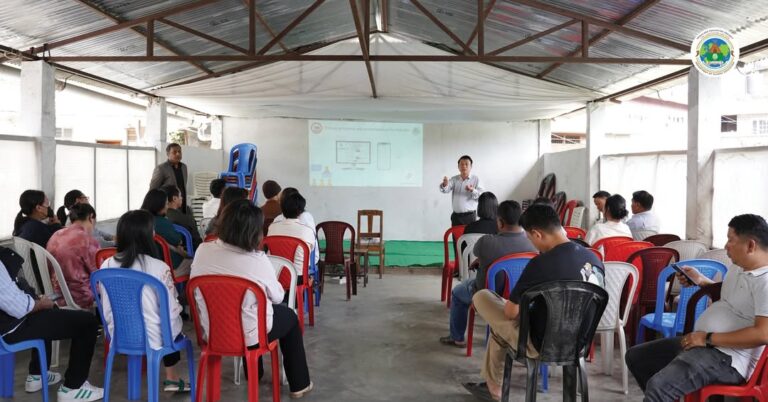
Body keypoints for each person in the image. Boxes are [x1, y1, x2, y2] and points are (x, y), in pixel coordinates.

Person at [464, 204, 604, 401]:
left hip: (540, 343)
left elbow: (511, 314)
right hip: (580, 342)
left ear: (537, 234)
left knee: (483, 298)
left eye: (529, 238)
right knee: (501, 329)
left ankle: (493, 389)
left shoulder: (540, 263)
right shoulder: (593, 258)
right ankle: (492, 385)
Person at [626, 214, 768, 402]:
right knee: (637, 357)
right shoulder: (739, 266)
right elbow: (732, 299)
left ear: (750, 245)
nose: (726, 246)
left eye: (730, 240)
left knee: (659, 386)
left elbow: (762, 334)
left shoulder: (765, 282)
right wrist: (701, 281)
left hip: (730, 358)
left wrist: (707, 338)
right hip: (706, 344)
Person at [191, 199, 313, 398]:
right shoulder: (257, 260)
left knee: (245, 310)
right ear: (254, 231)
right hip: (250, 335)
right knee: (289, 317)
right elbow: (278, 295)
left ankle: (254, 373)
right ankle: (299, 385)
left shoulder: (203, 250)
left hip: (212, 331)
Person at [100, 210, 190, 392]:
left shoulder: (106, 265)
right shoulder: (159, 267)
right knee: (171, 322)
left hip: (118, 335)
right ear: (149, 236)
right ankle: (171, 377)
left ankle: (148, 386)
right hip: (154, 338)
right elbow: (170, 311)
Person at [0, 245, 103, 402]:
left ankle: (37, 375)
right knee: (87, 322)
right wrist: (39, 303)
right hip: (11, 328)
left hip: (9, 324)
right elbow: (18, 307)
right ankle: (74, 387)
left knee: (47, 312)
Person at [439, 200, 536, 348]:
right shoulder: (533, 244)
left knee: (458, 293)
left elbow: (480, 253)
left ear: (501, 223)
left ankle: (457, 337)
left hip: (487, 295)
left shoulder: (486, 242)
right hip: (519, 300)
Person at [46, 203, 100, 308]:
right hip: (81, 297)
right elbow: (99, 273)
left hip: (58, 295)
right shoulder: (87, 240)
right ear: (90, 217)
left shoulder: (56, 235)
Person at [140, 189, 191, 278]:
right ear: (159, 206)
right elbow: (177, 240)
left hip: (143, 267)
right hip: (169, 266)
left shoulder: (138, 220)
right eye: (166, 204)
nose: (167, 207)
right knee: (194, 265)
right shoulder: (162, 222)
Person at [268, 191, 318, 269]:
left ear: (282, 209)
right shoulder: (307, 230)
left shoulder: (272, 227)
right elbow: (311, 251)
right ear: (300, 212)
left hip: (275, 274)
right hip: (299, 276)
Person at [440, 155, 483, 226]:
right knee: (456, 236)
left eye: (466, 164)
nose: (464, 166)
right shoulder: (454, 179)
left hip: (470, 216)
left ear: (471, 166)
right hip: (456, 216)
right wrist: (444, 184)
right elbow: (445, 190)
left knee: (469, 236)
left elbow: (481, 196)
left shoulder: (476, 179)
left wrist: (472, 190)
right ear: (458, 167)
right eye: (461, 164)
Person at [150, 143, 189, 214]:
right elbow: (153, 190)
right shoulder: (161, 168)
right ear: (168, 154)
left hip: (182, 206)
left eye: (179, 152)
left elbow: (183, 186)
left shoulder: (184, 167)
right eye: (174, 152)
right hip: (168, 208)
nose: (177, 154)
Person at [162, 185, 202, 251]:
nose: (182, 198)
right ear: (174, 198)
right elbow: (196, 240)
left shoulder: (160, 218)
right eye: (180, 195)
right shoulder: (186, 219)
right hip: (188, 254)